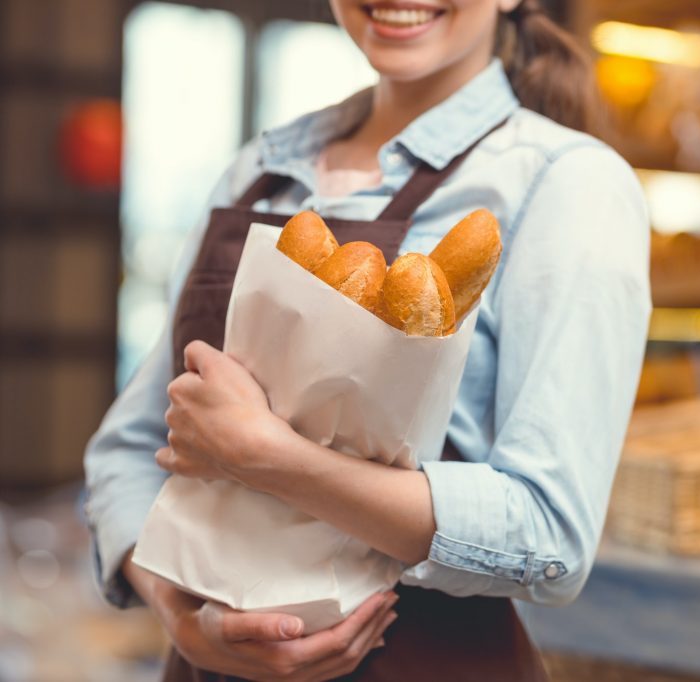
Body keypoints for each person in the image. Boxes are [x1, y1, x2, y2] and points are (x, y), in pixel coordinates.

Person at [84, 0, 651, 679]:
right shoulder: (258, 172)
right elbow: (127, 448)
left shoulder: (565, 183)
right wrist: (181, 621)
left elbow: (550, 537)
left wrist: (271, 459)